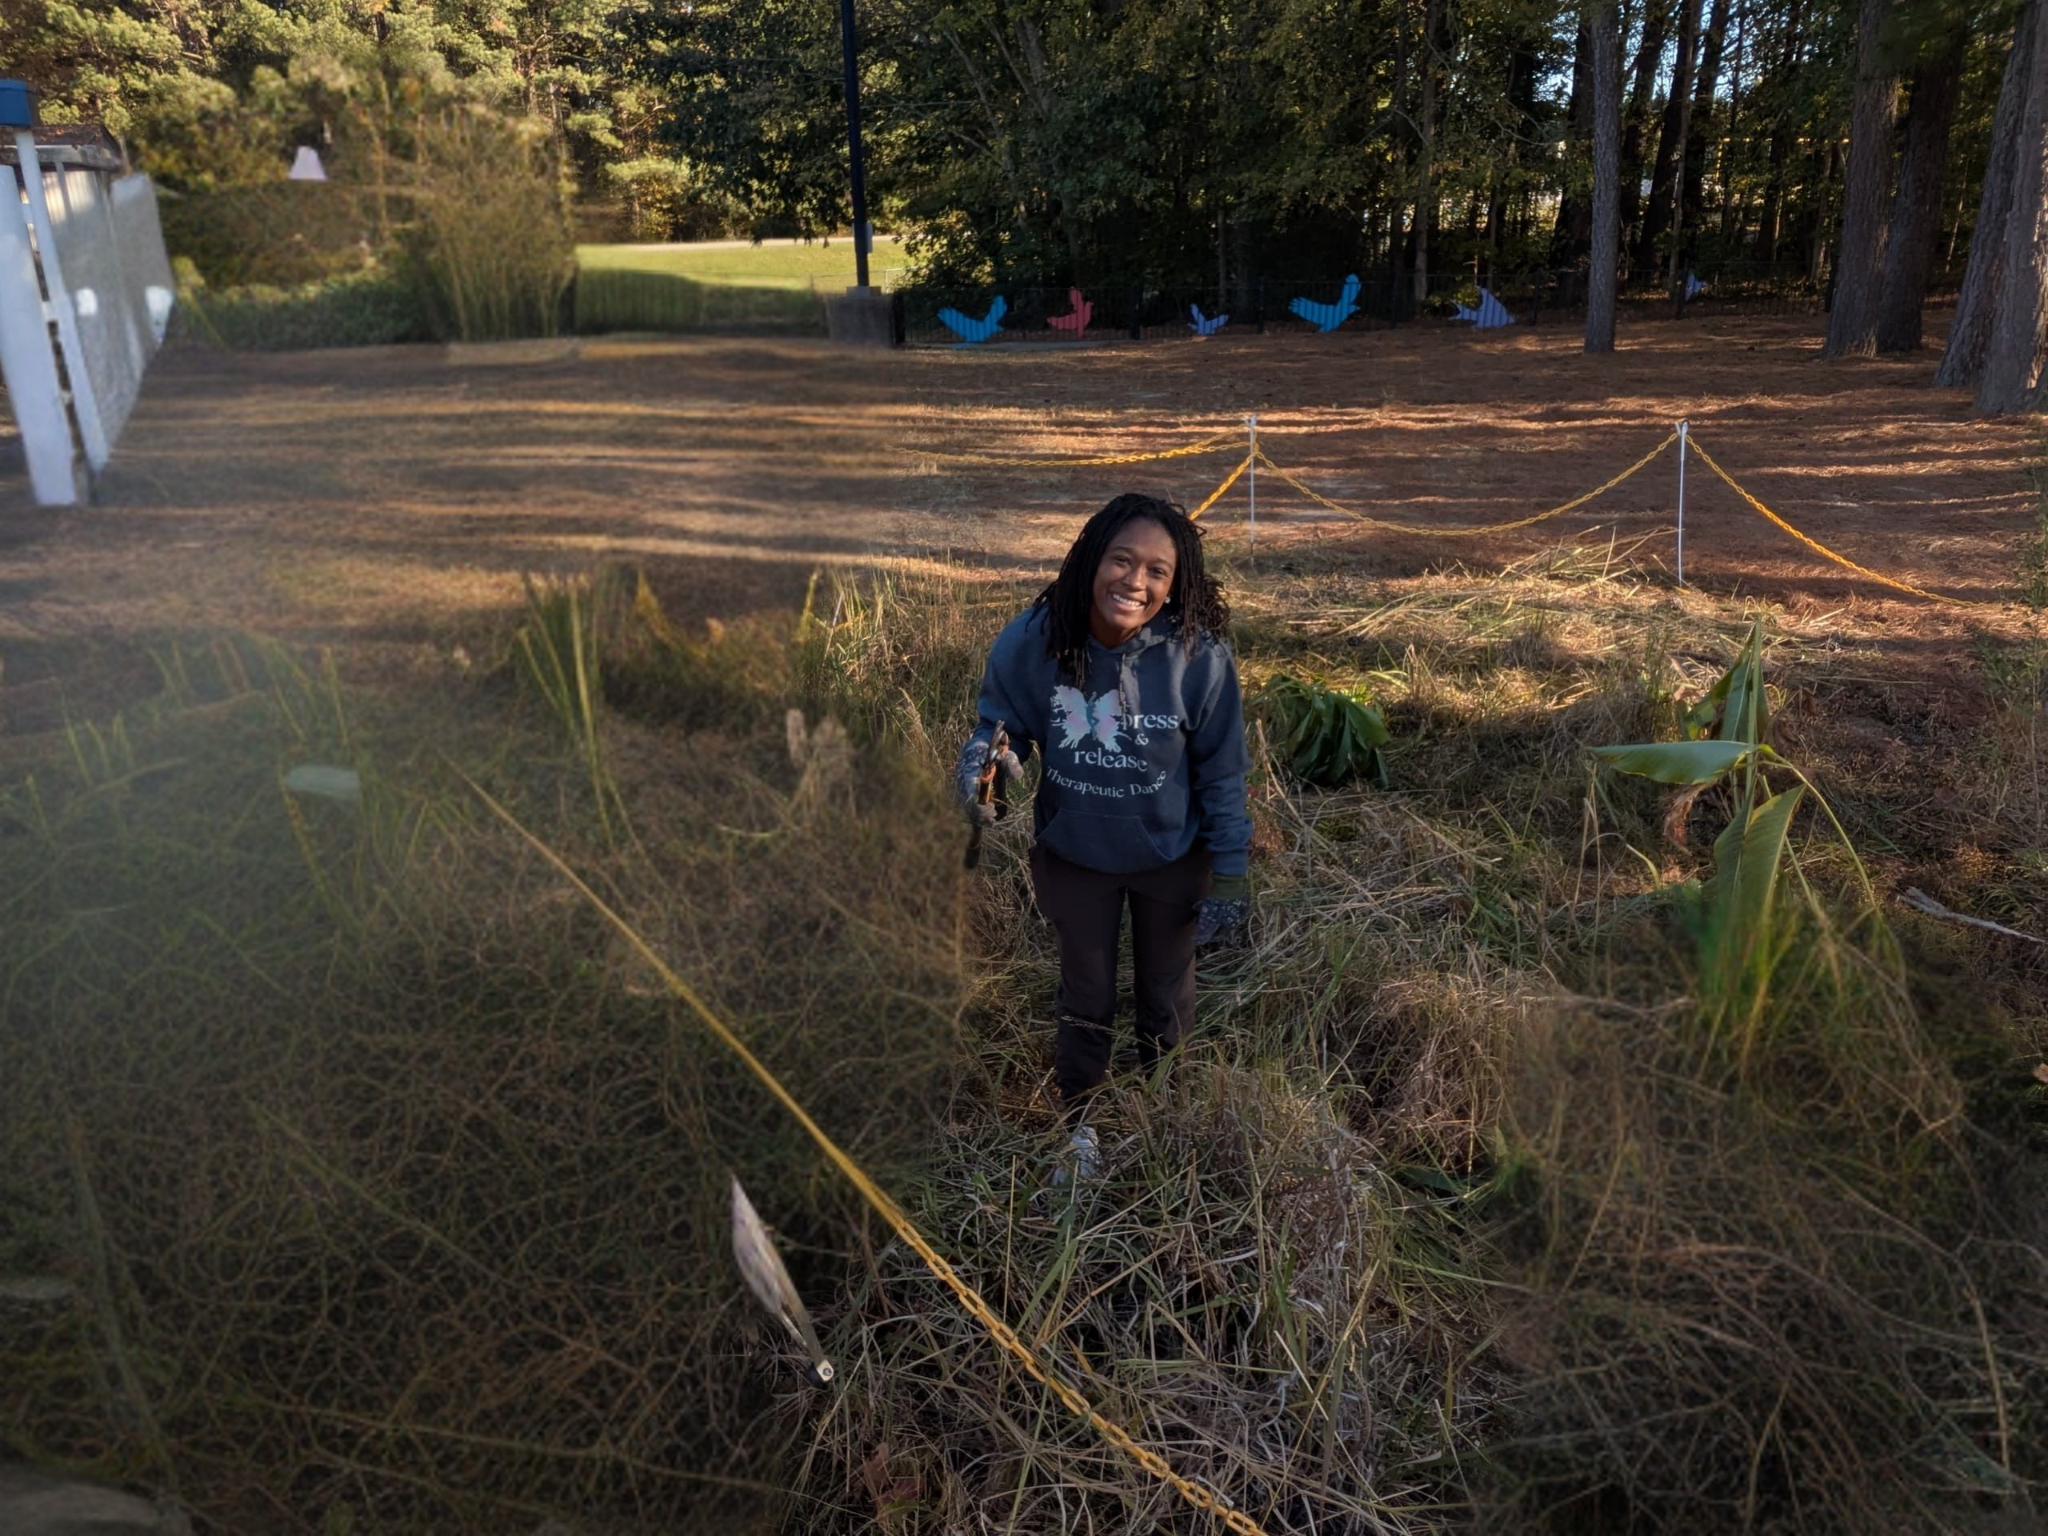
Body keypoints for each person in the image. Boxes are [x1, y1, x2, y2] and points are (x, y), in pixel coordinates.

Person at [956, 492, 1250, 1174]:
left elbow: (1223, 773)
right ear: (1092, 558)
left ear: (1177, 585)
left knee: (1165, 996)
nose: (1135, 582)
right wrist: (987, 767)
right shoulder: (1036, 638)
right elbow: (1004, 730)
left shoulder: (1196, 657)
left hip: (1172, 857)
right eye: (1122, 560)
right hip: (1077, 854)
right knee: (1084, 997)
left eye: (1157, 571)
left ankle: (1162, 1116)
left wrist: (1230, 876)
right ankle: (1080, 1130)